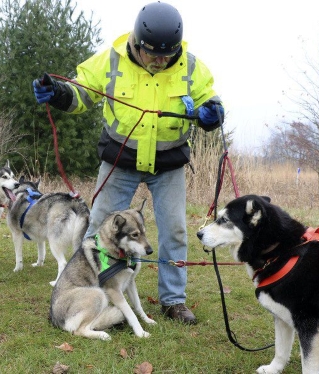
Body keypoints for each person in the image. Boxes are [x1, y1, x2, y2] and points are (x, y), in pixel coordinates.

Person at [32, 1, 223, 325]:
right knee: (97, 228)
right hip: (120, 158)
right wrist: (57, 93)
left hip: (169, 163)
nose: (161, 61)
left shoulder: (191, 66)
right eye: (153, 54)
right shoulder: (111, 60)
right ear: (138, 43)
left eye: (167, 54)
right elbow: (80, 93)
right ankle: (91, 293)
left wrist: (212, 114)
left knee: (175, 231)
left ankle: (173, 301)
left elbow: (210, 101)